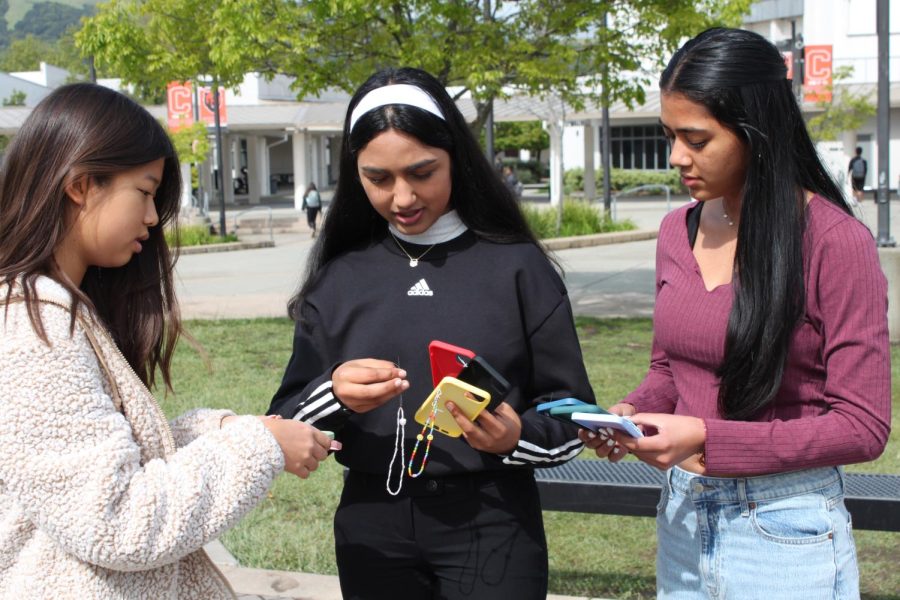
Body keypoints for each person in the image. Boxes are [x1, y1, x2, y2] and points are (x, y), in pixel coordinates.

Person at [581, 28, 890, 599]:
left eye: (696, 139)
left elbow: (863, 425)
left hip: (784, 529)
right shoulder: (678, 229)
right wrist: (632, 413)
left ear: (756, 131)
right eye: (670, 135)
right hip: (681, 518)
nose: (677, 157)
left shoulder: (834, 241)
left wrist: (705, 437)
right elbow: (670, 370)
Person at [267, 67, 595, 600]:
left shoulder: (518, 269)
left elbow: (573, 413)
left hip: (493, 521)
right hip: (372, 525)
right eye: (378, 178)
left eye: (422, 172)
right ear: (356, 175)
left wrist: (517, 438)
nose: (402, 197)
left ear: (456, 160)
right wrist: (335, 392)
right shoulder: (340, 277)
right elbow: (283, 418)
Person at [0, 83, 333, 599]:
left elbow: (100, 456)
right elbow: (115, 519)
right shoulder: (33, 325)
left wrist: (225, 429)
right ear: (81, 185)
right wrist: (259, 446)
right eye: (145, 190)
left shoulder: (52, 308)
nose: (154, 217)